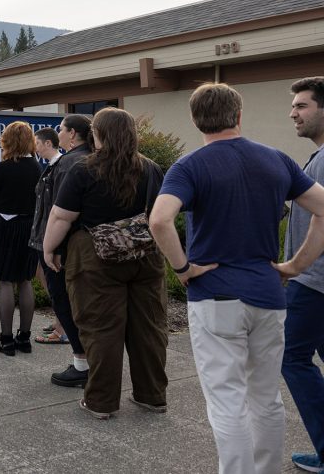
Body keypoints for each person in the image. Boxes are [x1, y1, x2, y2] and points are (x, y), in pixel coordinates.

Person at [150, 83, 324, 472]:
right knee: (266, 399)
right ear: (239, 115)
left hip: (215, 299)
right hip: (268, 295)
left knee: (227, 401)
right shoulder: (277, 159)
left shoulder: (190, 166)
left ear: (196, 121)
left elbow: (160, 220)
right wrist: (295, 265)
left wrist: (182, 269)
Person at [44, 107, 167, 421]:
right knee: (149, 328)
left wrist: (49, 248)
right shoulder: (150, 168)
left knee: (101, 329)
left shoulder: (84, 169)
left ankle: (101, 401)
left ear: (98, 134)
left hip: (96, 258)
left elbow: (61, 216)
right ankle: (152, 396)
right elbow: (160, 212)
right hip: (145, 255)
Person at [283, 77, 324, 473]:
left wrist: (294, 267)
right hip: (315, 282)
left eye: (302, 106)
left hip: (314, 283)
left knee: (292, 359)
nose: (293, 113)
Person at [34, 115, 93, 388]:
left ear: (72, 134)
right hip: (79, 246)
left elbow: (59, 212)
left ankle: (82, 363)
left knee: (65, 303)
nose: (59, 133)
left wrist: (51, 248)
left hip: (63, 249)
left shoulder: (70, 163)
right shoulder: (84, 159)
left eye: (61, 129)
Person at [0, 121, 42, 355]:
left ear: (6, 140)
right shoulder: (38, 168)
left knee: (5, 281)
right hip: (29, 227)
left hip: (4, 225)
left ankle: (6, 340)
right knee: (25, 280)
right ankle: (24, 339)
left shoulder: (1, 168)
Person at [29, 128, 69, 345]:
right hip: (42, 235)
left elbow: (56, 208)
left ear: (47, 144)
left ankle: (63, 330)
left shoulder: (60, 167)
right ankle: (60, 321)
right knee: (47, 281)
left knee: (56, 286)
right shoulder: (51, 167)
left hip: (49, 237)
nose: (34, 146)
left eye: (37, 142)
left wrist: (51, 244)